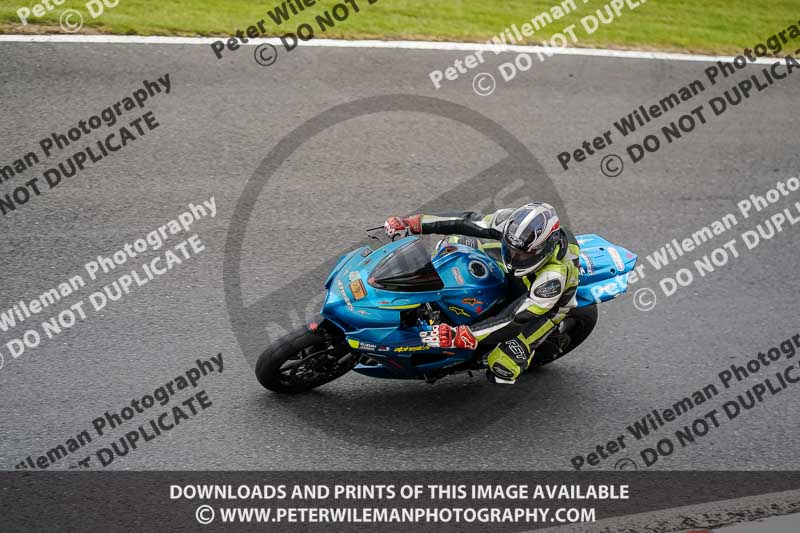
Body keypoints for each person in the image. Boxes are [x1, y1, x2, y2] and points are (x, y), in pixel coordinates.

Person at [384, 203, 580, 384]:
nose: (514, 257)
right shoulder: (510, 225)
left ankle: (520, 353)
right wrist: (414, 223)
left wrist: (465, 335)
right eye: (511, 249)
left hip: (545, 306)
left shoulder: (553, 279)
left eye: (522, 255)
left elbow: (515, 318)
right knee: (455, 243)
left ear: (545, 250)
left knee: (502, 366)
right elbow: (465, 221)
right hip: (520, 274)